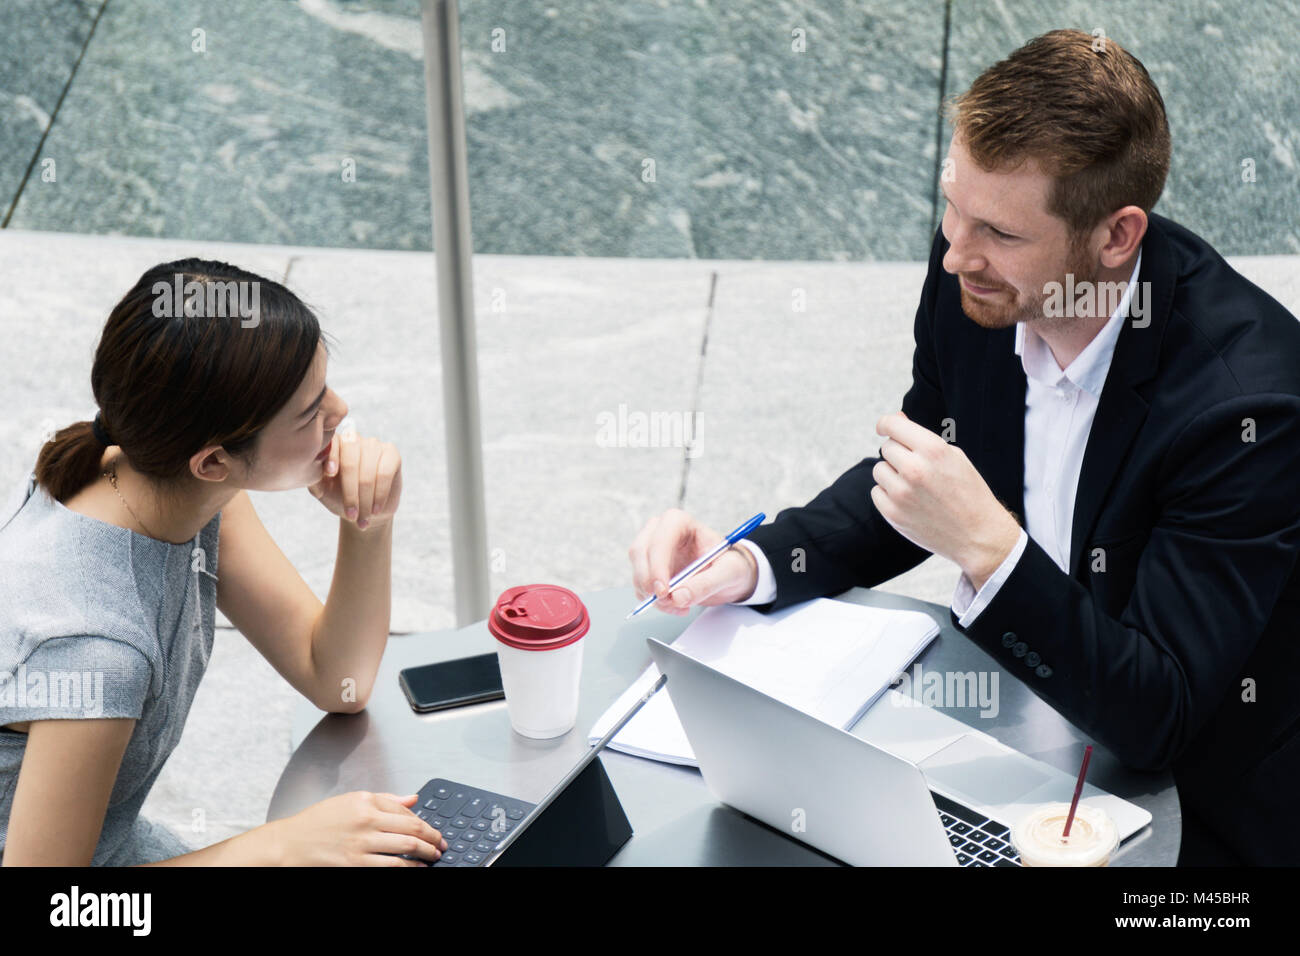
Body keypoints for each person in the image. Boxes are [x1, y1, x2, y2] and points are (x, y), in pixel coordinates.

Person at [629, 29, 1300, 866]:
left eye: (998, 231)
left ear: (1117, 235)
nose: (954, 251)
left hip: (1200, 820)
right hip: (1020, 739)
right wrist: (756, 562)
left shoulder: (1249, 410)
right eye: (952, 203)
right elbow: (920, 484)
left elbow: (1159, 714)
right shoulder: (983, 285)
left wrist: (990, 546)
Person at [0, 259, 446, 866]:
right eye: (311, 411)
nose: (340, 411)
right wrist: (282, 847)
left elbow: (337, 678)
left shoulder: (171, 488)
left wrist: (367, 523)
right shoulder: (97, 648)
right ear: (213, 462)